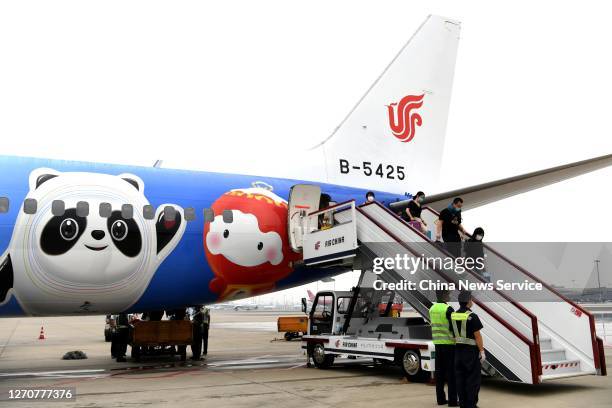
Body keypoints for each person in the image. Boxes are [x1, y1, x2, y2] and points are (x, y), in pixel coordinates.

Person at [451, 291, 485, 408]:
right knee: (473, 381)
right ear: (468, 301)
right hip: (470, 354)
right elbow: (478, 336)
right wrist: (482, 351)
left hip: (458, 353)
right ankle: (471, 405)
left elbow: (453, 335)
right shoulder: (472, 316)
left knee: (460, 380)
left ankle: (463, 404)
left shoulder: (453, 316)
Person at [429, 290, 457, 407]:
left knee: (439, 373)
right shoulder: (448, 309)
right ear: (444, 295)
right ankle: (452, 401)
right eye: (448, 294)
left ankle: (440, 399)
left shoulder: (432, 308)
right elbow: (453, 327)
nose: (449, 296)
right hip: (449, 344)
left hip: (438, 344)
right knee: (451, 374)